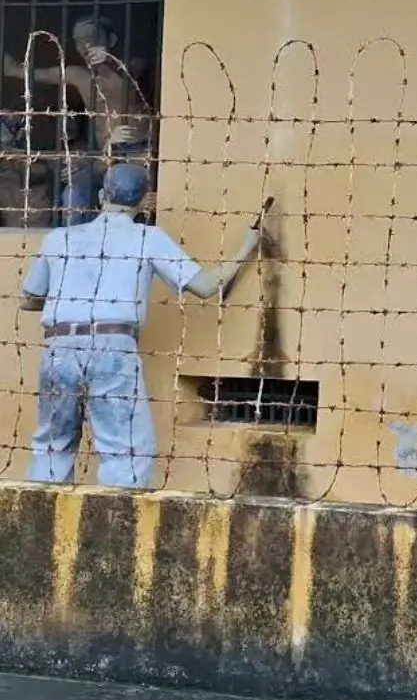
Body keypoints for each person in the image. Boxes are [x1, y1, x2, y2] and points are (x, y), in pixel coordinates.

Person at [19, 164, 263, 488]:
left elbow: (29, 300)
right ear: (143, 202)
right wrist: (247, 245)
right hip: (113, 346)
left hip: (59, 346)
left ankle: (37, 529)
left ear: (102, 196)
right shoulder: (148, 238)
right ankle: (117, 533)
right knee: (127, 455)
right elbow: (205, 286)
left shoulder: (59, 238)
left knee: (52, 449)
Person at [3, 15, 155, 224]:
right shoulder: (80, 76)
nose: (85, 44)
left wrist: (110, 60)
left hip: (139, 154)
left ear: (111, 40)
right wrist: (10, 67)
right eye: (78, 39)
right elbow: (23, 72)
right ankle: (74, 250)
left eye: (91, 37)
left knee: (139, 207)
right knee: (73, 196)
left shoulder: (134, 67)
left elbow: (135, 79)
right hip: (105, 158)